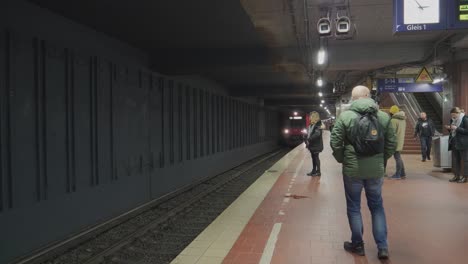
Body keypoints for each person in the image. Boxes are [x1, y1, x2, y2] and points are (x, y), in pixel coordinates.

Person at [330, 86, 396, 260]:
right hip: (375, 171)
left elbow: (335, 141)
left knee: (354, 207)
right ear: (368, 96)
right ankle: (382, 247)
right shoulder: (383, 116)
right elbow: (391, 144)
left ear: (353, 98)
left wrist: (342, 159)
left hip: (353, 169)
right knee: (377, 207)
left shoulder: (345, 116)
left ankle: (357, 245)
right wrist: (381, 161)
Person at [446, 107, 468, 183]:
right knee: (456, 160)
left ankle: (465, 177)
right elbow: (453, 131)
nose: (453, 116)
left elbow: (467, 131)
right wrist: (450, 128)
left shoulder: (465, 119)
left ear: (458, 113)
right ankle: (457, 176)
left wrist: (457, 128)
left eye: (454, 114)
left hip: (463, 143)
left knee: (465, 160)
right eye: (452, 115)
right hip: (455, 142)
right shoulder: (453, 120)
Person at [389, 105, 407, 180]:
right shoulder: (403, 120)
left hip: (395, 141)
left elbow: (391, 133)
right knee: (398, 157)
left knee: (397, 157)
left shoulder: (393, 120)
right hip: (400, 140)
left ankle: (398, 174)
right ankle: (402, 173)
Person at [305, 111, 324, 176]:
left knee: (316, 157)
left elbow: (317, 134)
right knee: (313, 157)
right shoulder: (312, 125)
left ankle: (318, 172)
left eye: (311, 116)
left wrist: (309, 139)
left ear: (314, 117)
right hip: (312, 145)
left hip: (316, 145)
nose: (309, 117)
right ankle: (313, 171)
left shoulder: (318, 125)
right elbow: (310, 133)